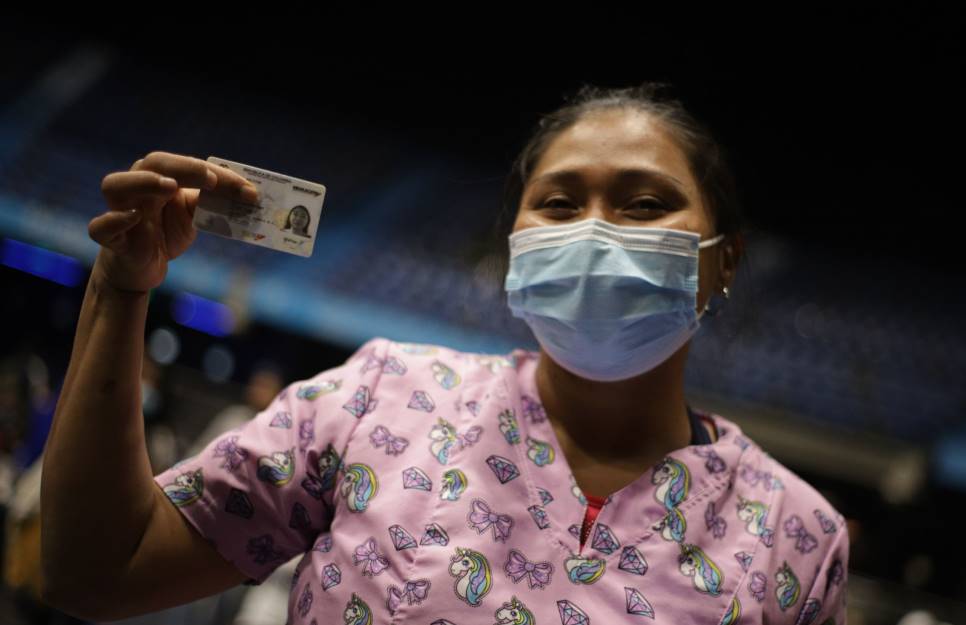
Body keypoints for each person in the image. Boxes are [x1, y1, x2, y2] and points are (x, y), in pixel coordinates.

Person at [41, 81, 849, 624]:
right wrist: (121, 290)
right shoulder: (377, 398)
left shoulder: (796, 538)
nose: (596, 232)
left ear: (725, 258)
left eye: (644, 203)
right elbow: (101, 569)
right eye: (560, 203)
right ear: (517, 246)